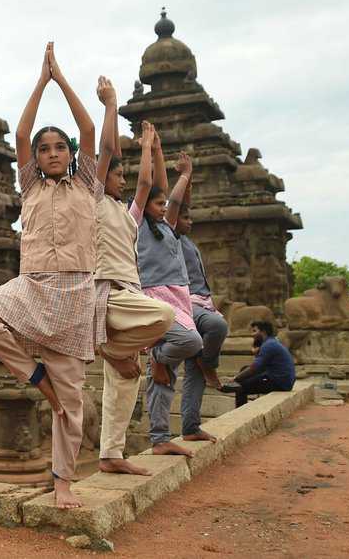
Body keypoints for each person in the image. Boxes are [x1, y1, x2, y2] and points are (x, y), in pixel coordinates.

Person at [0, 43, 104, 509]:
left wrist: (62, 78)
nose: (50, 152)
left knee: (69, 404)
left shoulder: (87, 183)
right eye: (44, 149)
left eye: (58, 147)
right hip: (32, 285)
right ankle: (33, 374)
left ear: (70, 154)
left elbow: (88, 128)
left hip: (74, 289)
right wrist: (39, 82)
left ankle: (63, 482)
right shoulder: (29, 185)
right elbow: (21, 131)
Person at [95, 119, 175, 477]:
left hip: (130, 291)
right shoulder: (93, 201)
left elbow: (146, 184)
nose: (124, 180)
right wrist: (111, 107)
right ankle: (110, 347)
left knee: (126, 381)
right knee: (164, 316)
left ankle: (111, 453)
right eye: (118, 175)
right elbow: (107, 151)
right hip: (107, 291)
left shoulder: (129, 216)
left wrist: (149, 148)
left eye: (125, 175)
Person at [137, 141, 207, 456]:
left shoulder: (166, 229)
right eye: (158, 204)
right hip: (156, 294)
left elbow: (166, 190)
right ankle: (155, 356)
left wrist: (159, 150)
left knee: (164, 378)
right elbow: (164, 191)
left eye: (165, 204)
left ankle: (160, 439)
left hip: (177, 296)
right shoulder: (137, 224)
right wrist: (186, 174)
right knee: (191, 342)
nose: (164, 206)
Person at [173, 191, 230, 441]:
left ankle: (190, 427)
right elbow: (175, 204)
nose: (191, 221)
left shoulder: (188, 241)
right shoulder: (170, 237)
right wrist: (185, 179)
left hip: (203, 302)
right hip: (185, 304)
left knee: (194, 369)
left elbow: (184, 203)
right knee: (218, 325)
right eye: (185, 217)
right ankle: (209, 364)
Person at [221, 321, 296, 407]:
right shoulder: (271, 342)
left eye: (254, 331)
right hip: (281, 379)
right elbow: (258, 366)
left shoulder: (269, 345)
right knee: (244, 370)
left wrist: (235, 379)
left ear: (263, 332)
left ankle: (241, 413)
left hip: (280, 383)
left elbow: (255, 368)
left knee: (241, 387)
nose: (252, 335)